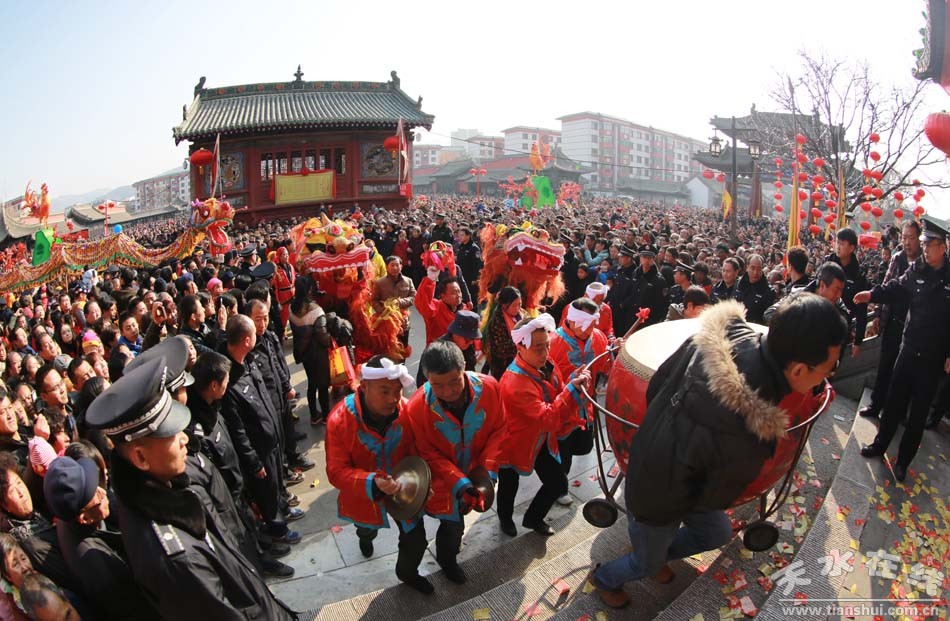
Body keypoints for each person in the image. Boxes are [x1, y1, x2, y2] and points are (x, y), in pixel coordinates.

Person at [592, 295, 846, 608]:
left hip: (671, 472)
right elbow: (718, 496)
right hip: (656, 492)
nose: (827, 376)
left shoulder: (724, 335)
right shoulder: (751, 427)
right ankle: (605, 578)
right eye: (826, 370)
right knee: (644, 562)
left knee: (715, 533)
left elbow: (659, 383)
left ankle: (656, 556)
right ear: (797, 371)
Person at [84, 355, 297, 619]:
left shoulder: (166, 489)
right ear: (140, 457)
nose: (184, 438)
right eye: (172, 434)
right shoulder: (175, 558)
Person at [324, 356, 433, 593]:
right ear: (364, 387)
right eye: (384, 391)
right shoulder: (340, 420)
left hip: (403, 488)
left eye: (397, 391)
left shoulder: (406, 410)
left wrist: (424, 481)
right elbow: (336, 471)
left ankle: (407, 572)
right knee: (366, 528)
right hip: (366, 496)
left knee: (416, 538)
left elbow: (417, 451)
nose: (393, 399)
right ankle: (365, 536)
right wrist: (373, 482)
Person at [854, 216, 950, 481]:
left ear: (942, 247)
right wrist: (871, 295)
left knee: (917, 414)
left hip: (932, 359)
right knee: (894, 402)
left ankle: (903, 461)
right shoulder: (917, 268)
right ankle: (880, 444)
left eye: (929, 244)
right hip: (908, 350)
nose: (924, 248)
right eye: (924, 243)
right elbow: (895, 287)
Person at [406, 341, 506, 584]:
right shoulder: (418, 407)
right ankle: (447, 561)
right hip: (442, 480)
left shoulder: (490, 388)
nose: (448, 391)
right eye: (437, 385)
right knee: (452, 524)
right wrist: (459, 483)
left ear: (464, 369)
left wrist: (486, 472)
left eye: (454, 381)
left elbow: (500, 428)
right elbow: (427, 452)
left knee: (460, 520)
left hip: (477, 467)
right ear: (427, 378)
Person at [496, 314, 589, 537]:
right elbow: (549, 417)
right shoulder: (515, 383)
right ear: (520, 346)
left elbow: (555, 394)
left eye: (547, 345)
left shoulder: (545, 363)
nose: (545, 353)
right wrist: (571, 391)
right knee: (509, 484)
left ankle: (533, 518)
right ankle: (505, 519)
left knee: (557, 483)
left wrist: (570, 382)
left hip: (540, 438)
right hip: (514, 441)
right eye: (538, 348)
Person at [219, 315, 300, 546]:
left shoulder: (249, 361)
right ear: (246, 340)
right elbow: (237, 429)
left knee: (276, 483)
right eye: (254, 333)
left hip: (272, 437)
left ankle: (283, 511)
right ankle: (277, 529)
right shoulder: (230, 379)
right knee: (266, 490)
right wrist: (253, 461)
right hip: (258, 448)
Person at [43, 456, 156, 621]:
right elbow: (137, 609)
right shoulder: (97, 564)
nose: (103, 492)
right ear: (85, 519)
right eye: (96, 496)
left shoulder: (67, 511)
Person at [549, 298, 610, 506]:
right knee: (562, 454)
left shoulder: (597, 336)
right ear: (573, 321)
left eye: (595, 323)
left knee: (582, 447)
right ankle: (559, 487)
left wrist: (615, 351)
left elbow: (604, 366)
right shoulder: (553, 342)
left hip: (586, 407)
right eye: (589, 324)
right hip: (563, 409)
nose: (593, 328)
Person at [859, 220, 921, 419]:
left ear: (920, 239)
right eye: (904, 237)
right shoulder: (897, 258)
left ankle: (897, 413)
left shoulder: (924, 263)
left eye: (912, 237)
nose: (907, 242)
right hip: (892, 320)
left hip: (913, 328)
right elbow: (886, 285)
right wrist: (878, 314)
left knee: (904, 374)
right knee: (884, 366)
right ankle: (876, 405)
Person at [288, 276, 333, 425]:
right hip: (317, 353)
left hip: (303, 352)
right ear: (309, 289)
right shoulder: (316, 310)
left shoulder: (291, 308)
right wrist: (330, 341)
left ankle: (314, 415)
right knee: (323, 385)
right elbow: (322, 335)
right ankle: (326, 416)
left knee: (312, 383)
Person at [824, 228, 869, 358]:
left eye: (842, 244)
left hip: (841, 328)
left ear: (851, 248)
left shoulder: (858, 275)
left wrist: (858, 340)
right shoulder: (828, 263)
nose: (838, 247)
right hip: (821, 319)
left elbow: (861, 309)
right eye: (837, 242)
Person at [371, 256, 416, 351]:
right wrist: (383, 312)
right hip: (385, 322)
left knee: (402, 348)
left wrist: (399, 302)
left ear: (401, 267)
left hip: (403, 321)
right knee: (386, 349)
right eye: (392, 265)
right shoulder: (379, 283)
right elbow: (373, 300)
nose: (395, 268)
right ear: (387, 267)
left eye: (397, 265)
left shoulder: (408, 281)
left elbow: (413, 297)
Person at [415, 266, 463, 346]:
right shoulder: (436, 308)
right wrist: (430, 279)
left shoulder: (464, 310)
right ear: (443, 296)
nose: (458, 295)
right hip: (437, 353)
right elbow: (422, 303)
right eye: (454, 293)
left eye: (459, 292)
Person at [483, 286, 523, 380]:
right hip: (503, 366)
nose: (517, 308)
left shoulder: (521, 314)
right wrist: (522, 343)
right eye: (514, 305)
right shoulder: (497, 321)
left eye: (519, 304)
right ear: (504, 305)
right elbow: (501, 349)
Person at [734, 254, 774, 324]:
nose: (755, 272)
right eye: (752, 268)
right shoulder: (737, 285)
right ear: (747, 267)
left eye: (759, 269)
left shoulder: (768, 291)